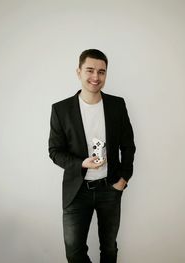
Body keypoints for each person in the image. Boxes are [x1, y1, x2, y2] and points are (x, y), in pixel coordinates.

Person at [48, 49, 136, 263]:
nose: (96, 77)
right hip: (76, 192)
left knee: (109, 249)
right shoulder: (61, 110)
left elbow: (128, 145)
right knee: (74, 252)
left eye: (101, 72)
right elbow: (55, 151)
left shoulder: (117, 105)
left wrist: (123, 179)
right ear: (78, 72)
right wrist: (82, 163)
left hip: (110, 188)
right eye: (90, 70)